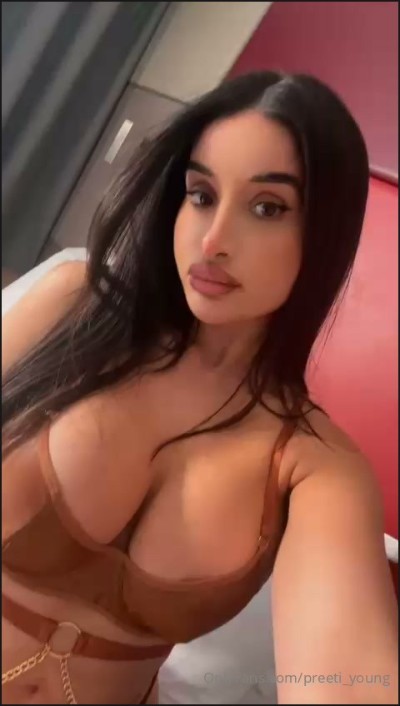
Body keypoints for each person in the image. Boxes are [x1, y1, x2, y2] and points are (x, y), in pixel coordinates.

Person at [2, 71, 398, 705]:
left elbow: (349, 686)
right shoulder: (72, 307)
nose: (212, 242)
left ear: (324, 234)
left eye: (267, 207)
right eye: (202, 194)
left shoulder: (315, 466)